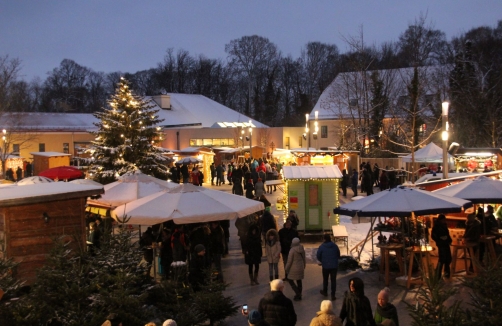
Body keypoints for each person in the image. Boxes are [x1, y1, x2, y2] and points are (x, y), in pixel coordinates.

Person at [317, 234, 341, 301]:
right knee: (333, 280)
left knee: (325, 279)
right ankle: (333, 295)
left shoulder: (322, 247)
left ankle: (325, 292)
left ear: (324, 239)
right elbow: (338, 254)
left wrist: (322, 260)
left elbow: (318, 255)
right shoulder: (335, 246)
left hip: (325, 266)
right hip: (334, 266)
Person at [431, 214, 452, 278]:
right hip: (441, 244)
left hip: (445, 243)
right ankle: (438, 274)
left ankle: (446, 272)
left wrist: (448, 239)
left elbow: (447, 234)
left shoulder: (444, 226)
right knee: (442, 259)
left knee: (448, 258)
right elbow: (433, 236)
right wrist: (439, 239)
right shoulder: (436, 227)